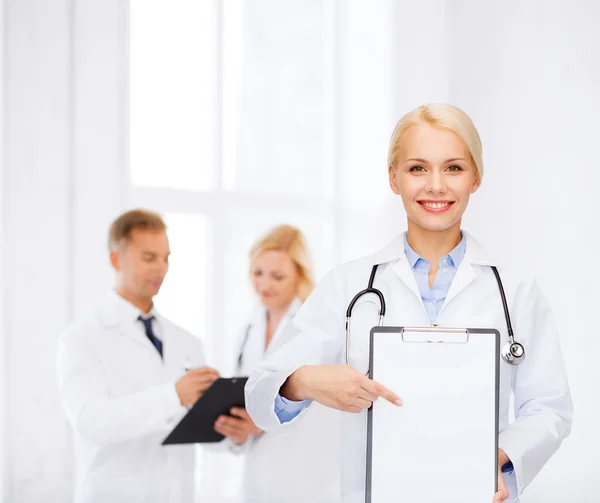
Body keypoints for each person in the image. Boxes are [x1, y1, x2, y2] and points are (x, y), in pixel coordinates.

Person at [245, 104, 573, 503]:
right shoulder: (348, 286)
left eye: (453, 168)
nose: (436, 185)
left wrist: (499, 456)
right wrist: (302, 381)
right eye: (418, 168)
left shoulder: (516, 289)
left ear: (476, 178)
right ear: (394, 178)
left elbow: (549, 407)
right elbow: (261, 391)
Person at [57, 209, 219, 503]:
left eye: (166, 257)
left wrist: (227, 425)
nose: (161, 268)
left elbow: (195, 428)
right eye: (148, 257)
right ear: (115, 259)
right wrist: (174, 396)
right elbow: (90, 422)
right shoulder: (81, 338)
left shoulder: (187, 341)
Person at [213, 225, 341, 503]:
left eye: (278, 276)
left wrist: (261, 420)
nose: (264, 285)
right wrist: (237, 430)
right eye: (257, 273)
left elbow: (317, 401)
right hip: (259, 474)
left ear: (299, 275)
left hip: (306, 474)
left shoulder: (317, 329)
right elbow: (248, 396)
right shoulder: (249, 327)